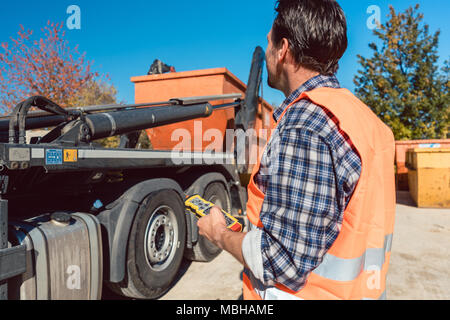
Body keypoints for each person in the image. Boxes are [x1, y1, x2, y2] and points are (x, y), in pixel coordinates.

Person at [197, 0, 396, 300]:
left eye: (269, 43)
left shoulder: (305, 123)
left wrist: (219, 235)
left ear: (284, 49)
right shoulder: (370, 122)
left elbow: (280, 261)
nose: (266, 55)